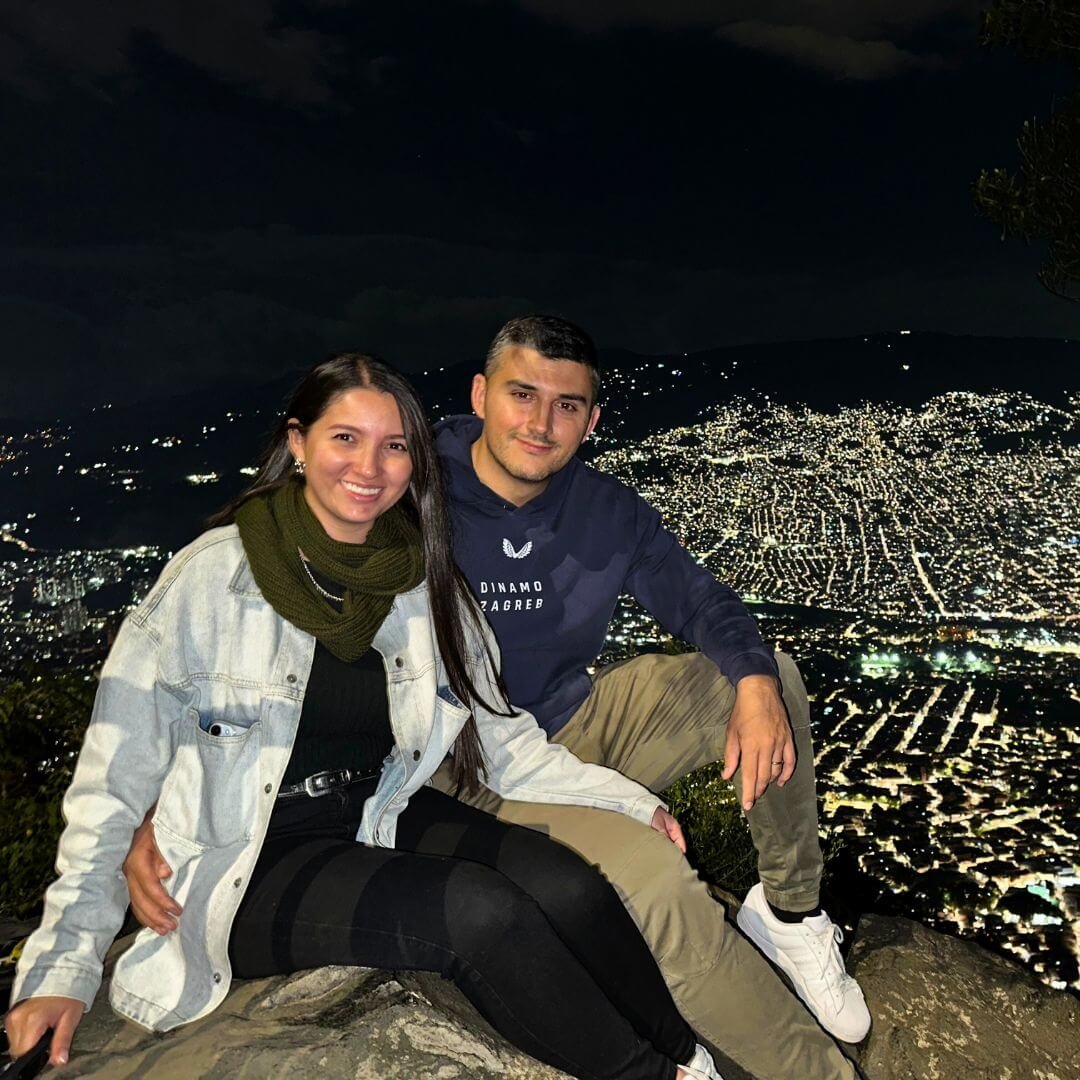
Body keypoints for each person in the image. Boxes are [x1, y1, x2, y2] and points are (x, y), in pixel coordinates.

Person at [123, 321, 868, 1077]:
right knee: (651, 881)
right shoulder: (412, 482)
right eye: (521, 394)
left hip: (566, 722)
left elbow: (701, 603)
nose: (542, 423)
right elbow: (250, 601)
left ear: (593, 419)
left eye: (567, 405)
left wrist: (754, 683)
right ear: (480, 396)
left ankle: (792, 914)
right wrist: (166, 801)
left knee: (762, 676)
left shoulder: (606, 508)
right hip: (465, 758)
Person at [5, 353, 724, 1080]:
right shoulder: (210, 579)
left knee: (567, 883)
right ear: (298, 443)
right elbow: (111, 779)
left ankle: (690, 1058)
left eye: (394, 445)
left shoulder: (421, 583)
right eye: (345, 438)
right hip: (243, 859)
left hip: (369, 814)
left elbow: (505, 740)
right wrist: (60, 971)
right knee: (479, 915)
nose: (369, 466)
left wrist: (628, 801)